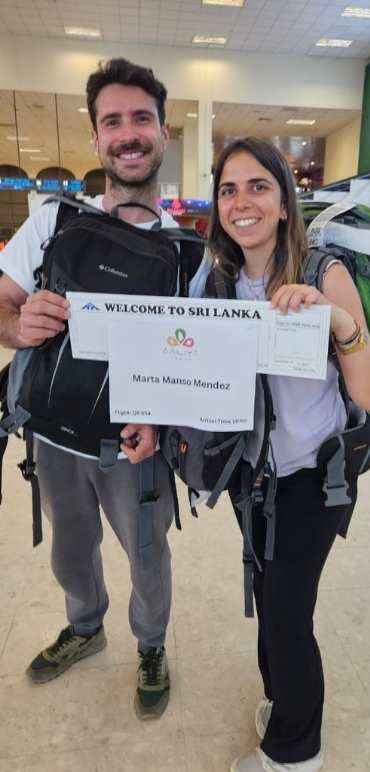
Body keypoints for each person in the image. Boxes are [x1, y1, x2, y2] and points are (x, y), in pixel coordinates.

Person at [0, 58, 208, 720]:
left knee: (147, 556)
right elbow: (2, 307)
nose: (127, 133)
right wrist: (18, 325)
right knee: (68, 549)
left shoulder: (191, 256)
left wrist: (168, 421)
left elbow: (199, 362)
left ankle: (150, 645)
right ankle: (85, 627)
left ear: (163, 132)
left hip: (135, 452)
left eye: (140, 118)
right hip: (55, 437)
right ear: (95, 138)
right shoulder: (52, 223)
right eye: (111, 121)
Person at [206, 137, 370, 771]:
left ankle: (294, 754)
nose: (242, 201)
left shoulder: (322, 271)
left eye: (259, 186)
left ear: (285, 202)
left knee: (286, 614)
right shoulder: (220, 280)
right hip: (252, 478)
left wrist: (339, 324)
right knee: (267, 593)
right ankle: (283, 702)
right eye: (229, 189)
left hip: (315, 480)